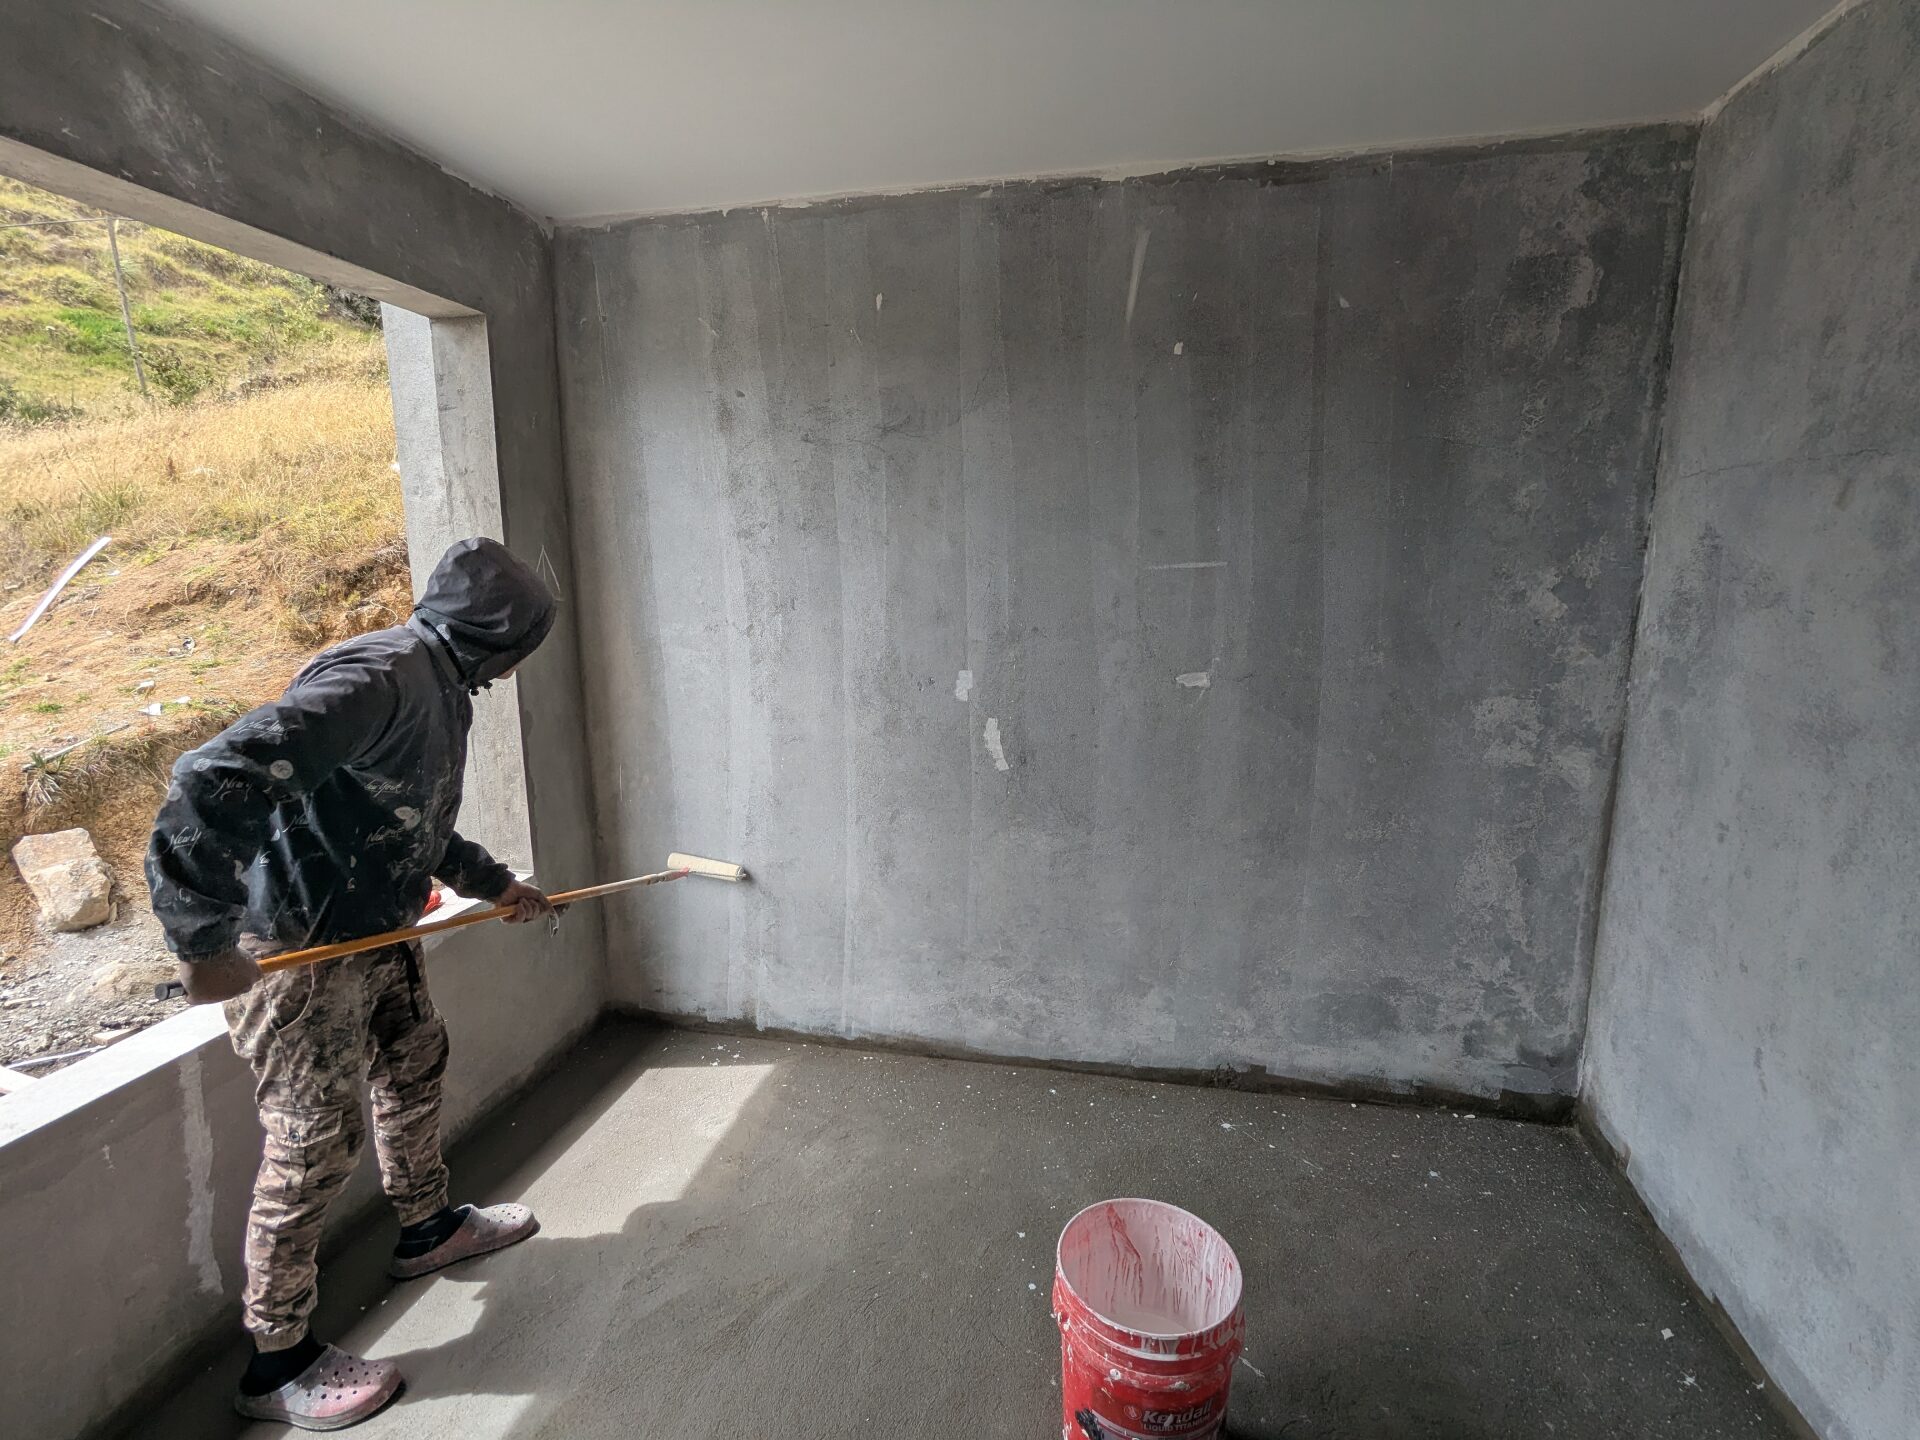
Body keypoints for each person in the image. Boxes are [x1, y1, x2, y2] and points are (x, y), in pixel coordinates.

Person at [146, 536, 560, 1429]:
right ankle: (278, 1363)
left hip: (374, 930)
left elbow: (409, 816)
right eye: (526, 642)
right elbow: (210, 780)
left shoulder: (441, 684)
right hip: (302, 951)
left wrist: (495, 884)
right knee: (313, 1144)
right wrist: (204, 939)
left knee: (414, 1065)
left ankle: (428, 1227)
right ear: (501, 634)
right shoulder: (379, 678)